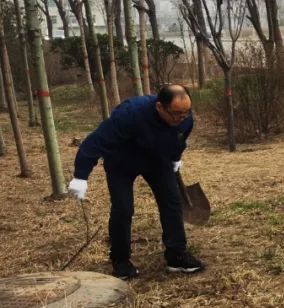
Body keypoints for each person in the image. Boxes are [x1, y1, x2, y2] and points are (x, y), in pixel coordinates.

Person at [67, 84, 205, 280]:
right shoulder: (130, 114)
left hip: (156, 160)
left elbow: (178, 139)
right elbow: (95, 142)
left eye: (185, 113)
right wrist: (81, 176)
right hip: (121, 162)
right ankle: (121, 262)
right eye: (176, 114)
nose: (181, 118)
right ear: (160, 107)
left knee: (172, 201)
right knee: (123, 209)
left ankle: (176, 255)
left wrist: (175, 157)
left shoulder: (185, 120)